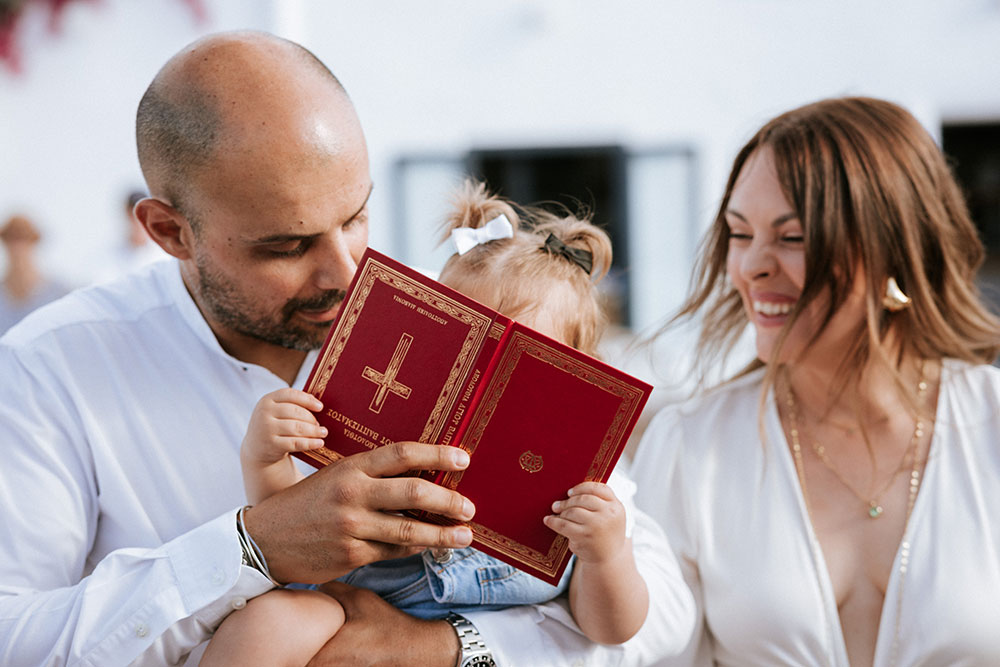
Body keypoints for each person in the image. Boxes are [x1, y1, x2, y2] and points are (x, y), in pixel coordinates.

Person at [0, 31, 694, 666]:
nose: (345, 272)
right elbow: (14, 638)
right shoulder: (49, 369)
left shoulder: (455, 323)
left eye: (356, 215)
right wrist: (250, 546)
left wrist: (446, 648)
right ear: (168, 231)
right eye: (288, 245)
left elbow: (663, 609)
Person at [200, 180, 651, 666]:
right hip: (349, 607)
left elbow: (609, 629)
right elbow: (288, 527)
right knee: (270, 621)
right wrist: (265, 456)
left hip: (480, 645)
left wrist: (606, 555)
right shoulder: (379, 437)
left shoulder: (588, 491)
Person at [631, 96, 1000, 666]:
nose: (752, 266)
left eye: (793, 237)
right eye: (739, 233)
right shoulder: (690, 447)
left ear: (893, 247)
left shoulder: (992, 423)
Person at [0, 214, 69, 335]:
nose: (17, 248)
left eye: (23, 239)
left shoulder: (59, 292)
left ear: (34, 242)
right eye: (11, 239)